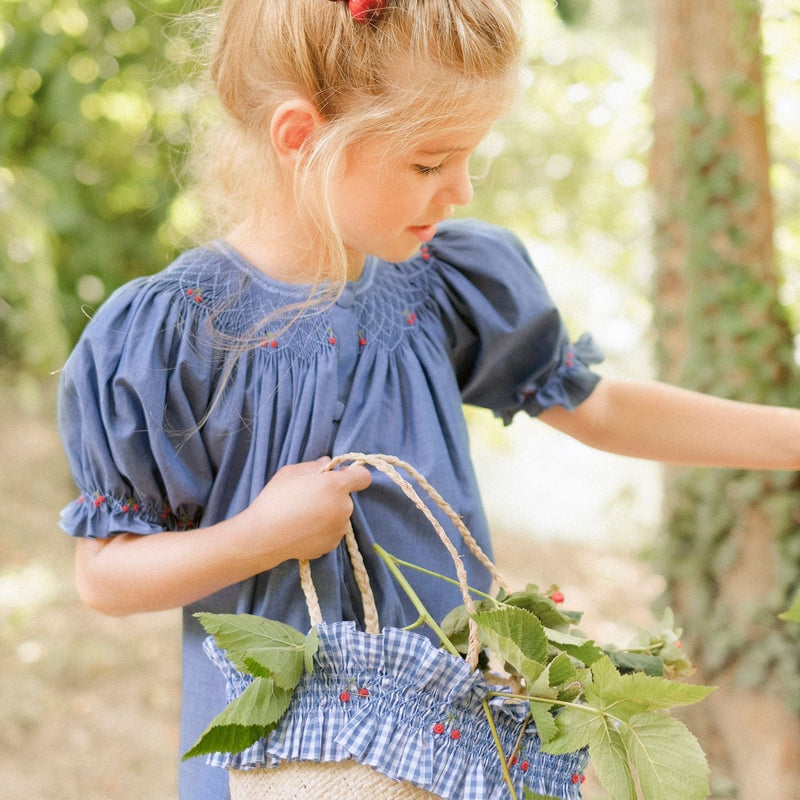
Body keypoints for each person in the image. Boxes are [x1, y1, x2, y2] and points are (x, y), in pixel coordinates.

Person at [57, 0, 800, 797]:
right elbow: (105, 576)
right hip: (275, 767)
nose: (461, 192)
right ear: (302, 138)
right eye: (429, 163)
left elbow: (599, 407)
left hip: (448, 756)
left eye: (470, 158)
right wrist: (258, 537)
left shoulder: (438, 285)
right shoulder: (177, 333)